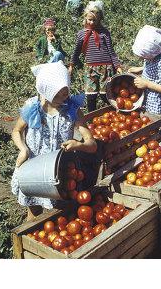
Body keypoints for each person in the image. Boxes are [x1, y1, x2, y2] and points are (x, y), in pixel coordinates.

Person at [11, 61, 97, 219]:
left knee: (60, 214)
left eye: (66, 93)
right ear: (45, 91)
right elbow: (17, 131)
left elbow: (92, 145)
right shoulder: (32, 107)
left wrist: (78, 145)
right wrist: (23, 149)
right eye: (57, 94)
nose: (63, 98)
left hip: (60, 171)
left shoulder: (73, 111)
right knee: (34, 213)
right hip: (33, 169)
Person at [129, 25, 161, 140]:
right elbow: (153, 67)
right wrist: (141, 69)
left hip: (157, 106)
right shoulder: (153, 56)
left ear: (153, 51)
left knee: (156, 135)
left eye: (144, 55)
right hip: (148, 101)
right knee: (148, 131)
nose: (143, 58)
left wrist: (147, 84)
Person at [69, 1, 122, 112]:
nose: (92, 22)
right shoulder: (81, 34)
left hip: (106, 67)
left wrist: (117, 66)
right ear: (85, 18)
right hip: (90, 68)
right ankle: (92, 119)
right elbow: (76, 51)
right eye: (89, 19)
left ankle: (116, 112)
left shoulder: (104, 32)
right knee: (90, 96)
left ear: (99, 19)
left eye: (95, 20)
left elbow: (111, 50)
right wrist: (71, 65)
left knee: (105, 95)